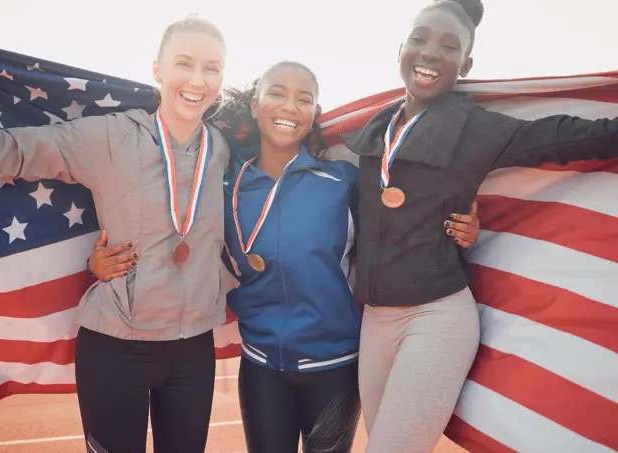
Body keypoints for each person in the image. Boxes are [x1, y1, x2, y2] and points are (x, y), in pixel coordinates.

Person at [92, 61, 480, 452]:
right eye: (277, 93)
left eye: (304, 99)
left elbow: (402, 228)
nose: (290, 106)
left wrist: (461, 226)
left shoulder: (340, 181)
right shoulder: (223, 185)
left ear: (313, 115)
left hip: (335, 366)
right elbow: (170, 233)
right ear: (256, 104)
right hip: (261, 366)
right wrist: (102, 262)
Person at [0, 15, 231, 453]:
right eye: (184, 63)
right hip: (117, 349)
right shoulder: (109, 137)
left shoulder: (221, 148)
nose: (197, 79)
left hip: (193, 352)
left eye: (212, 68)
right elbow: (2, 153)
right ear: (157, 70)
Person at [339, 1, 618, 452]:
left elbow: (567, 137)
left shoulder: (474, 128)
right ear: (401, 49)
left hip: (435, 319)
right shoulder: (374, 132)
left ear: (465, 66)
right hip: (373, 322)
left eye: (449, 46)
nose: (430, 53)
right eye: (420, 39)